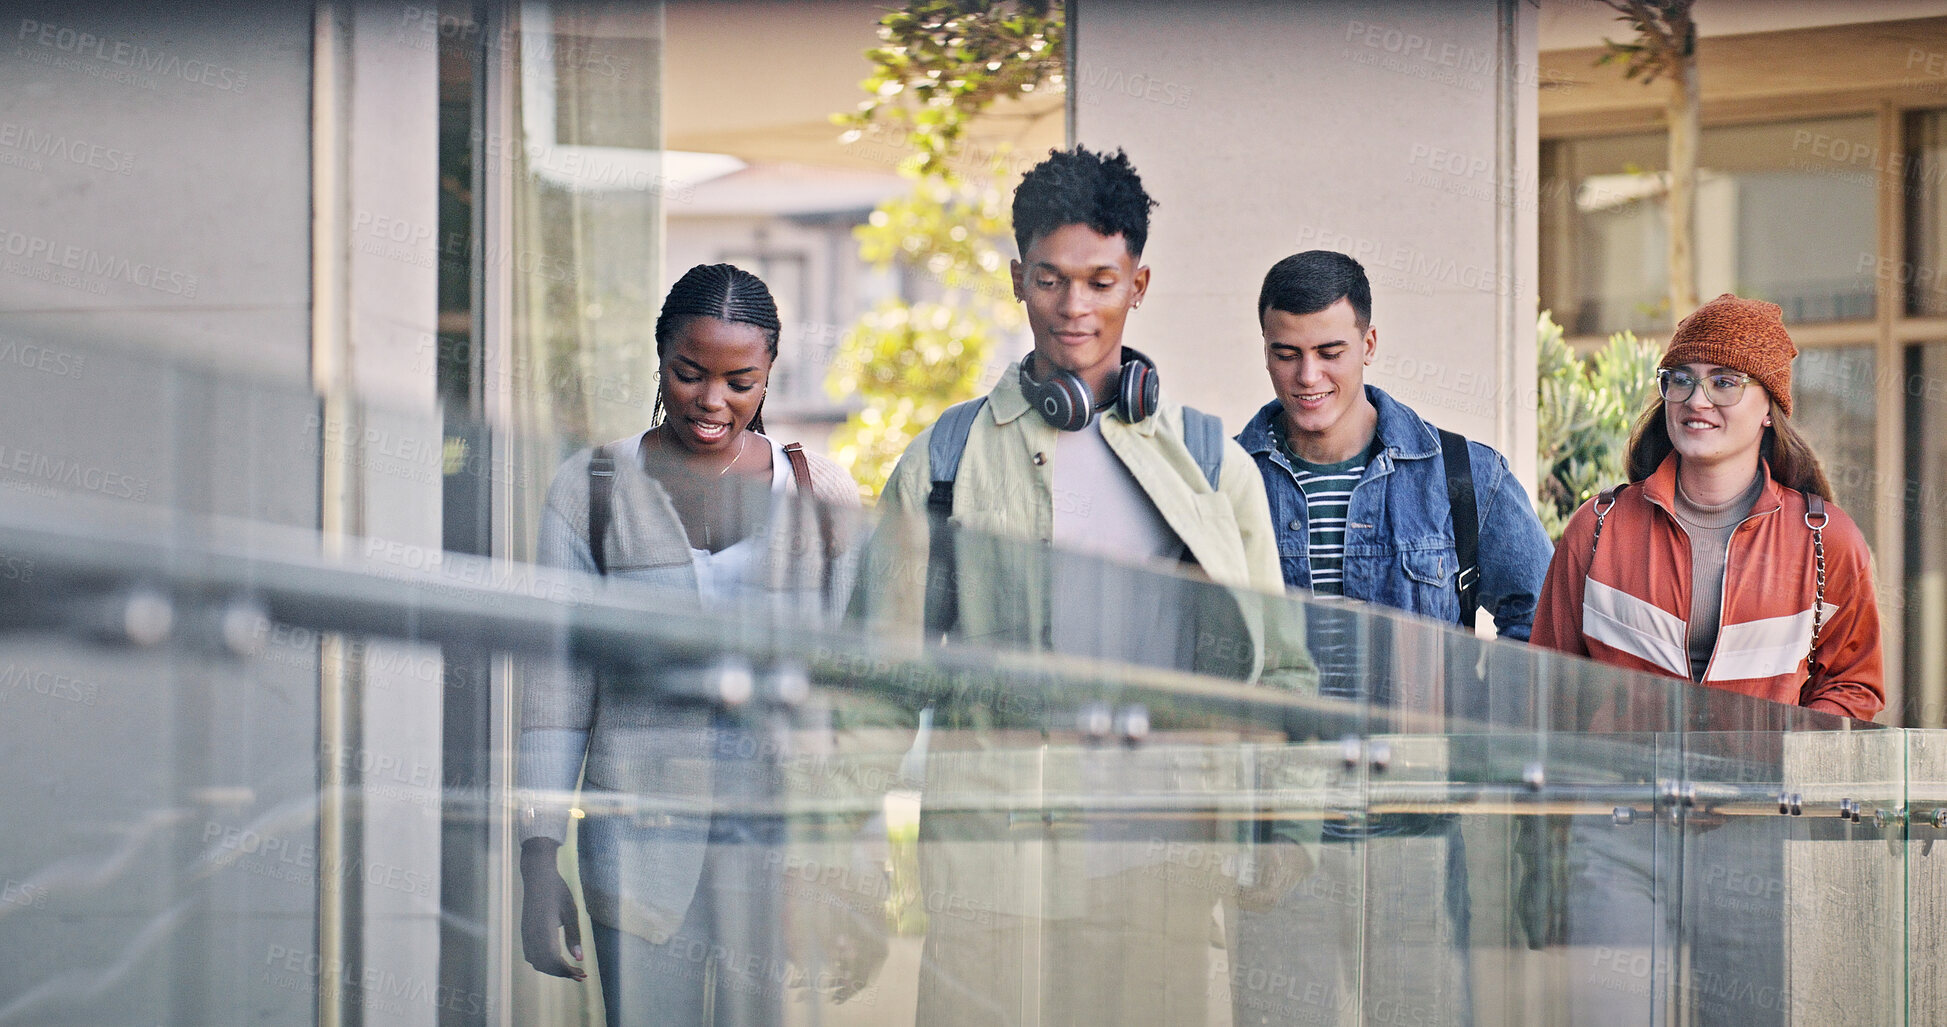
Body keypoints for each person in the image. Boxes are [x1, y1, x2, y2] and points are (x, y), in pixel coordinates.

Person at [857, 146, 1316, 1026]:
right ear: (1017, 279)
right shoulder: (944, 460)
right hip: (994, 867)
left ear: (1137, 284)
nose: (1074, 307)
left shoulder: (1211, 465)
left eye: (1100, 281)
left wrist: (1286, 822)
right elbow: (875, 681)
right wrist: (833, 844)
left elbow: (1281, 671)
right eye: (1050, 279)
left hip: (1160, 857)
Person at [516, 263, 874, 1025]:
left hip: (782, 854)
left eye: (740, 379)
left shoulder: (821, 495)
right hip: (635, 847)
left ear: (770, 370)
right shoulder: (590, 488)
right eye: (688, 372)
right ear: (659, 357)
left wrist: (861, 872)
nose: (712, 400)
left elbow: (856, 703)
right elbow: (556, 689)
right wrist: (537, 855)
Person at [1532, 292, 1884, 1025]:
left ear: (1767, 409)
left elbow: (1853, 685)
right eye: (1680, 378)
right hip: (1618, 830)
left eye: (1725, 381)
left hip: (1754, 837)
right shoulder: (1595, 530)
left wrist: (1773, 759)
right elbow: (1546, 687)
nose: (1698, 398)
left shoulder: (1825, 541)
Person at [1227, 249, 1553, 1025]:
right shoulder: (1224, 483)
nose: (1308, 375)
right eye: (1286, 352)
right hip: (1278, 842)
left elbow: (1541, 618)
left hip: (1420, 836)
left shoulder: (1461, 474)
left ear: (1367, 344)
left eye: (1329, 351)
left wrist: (1478, 744)